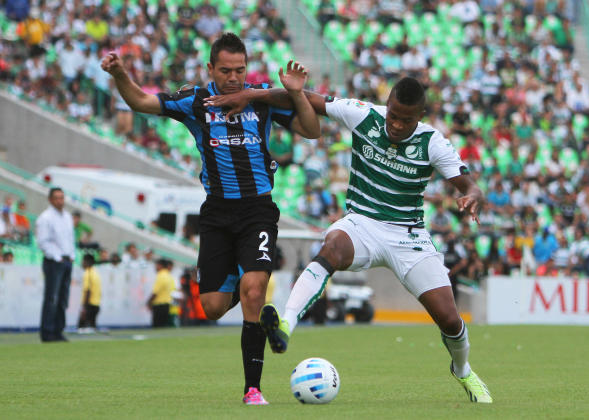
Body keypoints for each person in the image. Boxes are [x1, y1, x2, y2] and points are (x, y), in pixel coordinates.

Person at [207, 77, 492, 403]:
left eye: (406, 119)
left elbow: (470, 185)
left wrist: (472, 196)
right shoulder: (363, 115)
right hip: (362, 224)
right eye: (393, 115)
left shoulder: (433, 142)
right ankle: (285, 325)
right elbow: (304, 98)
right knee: (331, 248)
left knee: (450, 319)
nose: (396, 124)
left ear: (420, 115)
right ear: (387, 107)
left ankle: (463, 369)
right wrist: (250, 94)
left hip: (407, 234)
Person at [101, 32, 320, 405]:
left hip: (257, 210)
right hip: (217, 213)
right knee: (214, 308)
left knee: (255, 292)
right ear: (210, 69)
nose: (234, 78)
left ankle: (254, 389)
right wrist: (120, 73)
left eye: (240, 70)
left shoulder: (262, 98)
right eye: (225, 70)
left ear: (247, 68)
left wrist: (297, 93)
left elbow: (312, 130)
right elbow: (139, 101)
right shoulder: (195, 101)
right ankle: (240, 285)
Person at [36, 188, 75, 342]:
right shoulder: (45, 218)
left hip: (67, 260)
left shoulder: (67, 217)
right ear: (50, 200)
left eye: (62, 197)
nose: (60, 201)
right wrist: (57, 256)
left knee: (63, 298)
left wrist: (72, 255)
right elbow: (43, 242)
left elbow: (70, 239)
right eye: (57, 198)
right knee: (52, 297)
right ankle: (47, 332)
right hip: (54, 261)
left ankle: (58, 330)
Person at [147, 259, 176, 328]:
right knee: (163, 327)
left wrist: (149, 302)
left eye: (157, 265)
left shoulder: (160, 276)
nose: (156, 267)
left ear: (161, 266)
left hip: (159, 305)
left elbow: (155, 292)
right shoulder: (169, 276)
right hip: (167, 304)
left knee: (157, 326)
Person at [78, 254, 101, 332]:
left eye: (83, 261)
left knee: (82, 329)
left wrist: (84, 306)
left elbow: (88, 290)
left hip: (89, 304)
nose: (82, 263)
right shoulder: (95, 272)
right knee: (92, 328)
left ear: (87, 262)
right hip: (96, 303)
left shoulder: (87, 273)